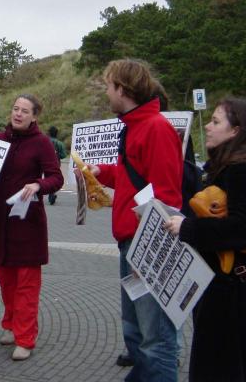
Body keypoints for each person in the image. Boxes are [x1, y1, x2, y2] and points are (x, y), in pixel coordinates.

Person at [87, 59, 183, 381]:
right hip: (131, 245)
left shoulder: (155, 127)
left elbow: (167, 196)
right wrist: (104, 172)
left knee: (156, 339)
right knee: (136, 331)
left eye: (109, 85)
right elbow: (136, 178)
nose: (106, 91)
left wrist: (148, 251)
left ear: (123, 89)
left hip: (144, 246)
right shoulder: (134, 126)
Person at [165, 97, 246, 381]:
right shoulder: (220, 168)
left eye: (215, 121)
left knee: (218, 366)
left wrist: (189, 229)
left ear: (235, 131)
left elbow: (240, 227)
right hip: (218, 283)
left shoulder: (238, 170)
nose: (208, 127)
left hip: (230, 288)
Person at [0, 94, 63, 361]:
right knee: (6, 280)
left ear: (34, 116)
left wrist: (38, 186)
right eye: (15, 109)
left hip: (28, 224)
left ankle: (25, 338)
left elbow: (56, 177)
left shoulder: (41, 143)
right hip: (0, 222)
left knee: (26, 285)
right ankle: (10, 324)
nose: (18, 114)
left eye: (24, 111)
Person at [47, 126, 66, 205]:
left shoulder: (45, 141)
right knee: (54, 178)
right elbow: (63, 155)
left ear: (49, 133)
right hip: (56, 164)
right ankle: (52, 194)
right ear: (57, 134)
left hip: (45, 164)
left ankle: (50, 194)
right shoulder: (60, 144)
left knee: (47, 178)